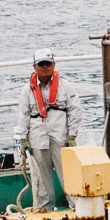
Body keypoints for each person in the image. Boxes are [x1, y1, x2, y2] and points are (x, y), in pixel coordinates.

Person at [15, 48, 83, 211]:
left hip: (60, 137)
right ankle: (44, 208)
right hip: (38, 138)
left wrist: (72, 135)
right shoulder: (27, 90)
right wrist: (22, 139)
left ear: (54, 64)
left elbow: (75, 110)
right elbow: (23, 115)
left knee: (68, 174)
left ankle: (76, 206)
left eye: (48, 63)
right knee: (41, 177)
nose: (45, 67)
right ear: (34, 67)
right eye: (41, 64)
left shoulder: (65, 87)